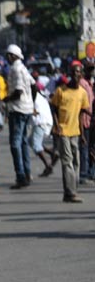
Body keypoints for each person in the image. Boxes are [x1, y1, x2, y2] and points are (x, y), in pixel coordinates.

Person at [49, 61, 92, 203]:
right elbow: (53, 108)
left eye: (78, 72)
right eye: (73, 72)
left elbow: (81, 112)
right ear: (69, 74)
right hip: (62, 130)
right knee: (67, 160)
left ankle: (70, 191)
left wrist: (82, 132)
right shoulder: (61, 91)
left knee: (76, 162)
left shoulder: (82, 93)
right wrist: (56, 125)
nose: (76, 75)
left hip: (75, 131)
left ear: (81, 75)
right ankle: (71, 192)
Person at [3, 44, 35, 189]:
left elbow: (19, 91)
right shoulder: (23, 68)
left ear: (12, 56)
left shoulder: (16, 69)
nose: (7, 58)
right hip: (26, 109)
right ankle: (27, 173)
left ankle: (21, 176)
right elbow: (34, 86)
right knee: (22, 143)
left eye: (8, 55)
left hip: (18, 109)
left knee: (15, 144)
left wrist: (7, 99)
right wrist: (31, 103)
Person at [31, 82, 56, 178]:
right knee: (31, 141)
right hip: (43, 122)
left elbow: (35, 112)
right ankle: (51, 153)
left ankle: (48, 165)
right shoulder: (40, 97)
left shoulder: (36, 98)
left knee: (36, 145)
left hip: (41, 122)